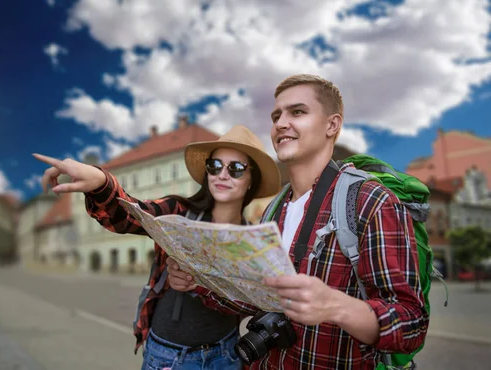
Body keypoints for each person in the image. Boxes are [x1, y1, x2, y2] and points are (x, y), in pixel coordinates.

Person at [168, 74, 429, 369]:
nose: (280, 123)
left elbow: (412, 324)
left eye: (298, 112)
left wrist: (337, 306)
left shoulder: (370, 200)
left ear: (332, 125)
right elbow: (256, 300)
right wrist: (196, 283)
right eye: (276, 115)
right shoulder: (272, 212)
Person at [33, 125, 281, 370]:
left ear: (251, 180)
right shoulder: (178, 211)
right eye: (215, 166)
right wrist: (100, 182)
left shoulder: (253, 240)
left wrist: (205, 286)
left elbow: (254, 304)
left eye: (236, 168)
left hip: (227, 355)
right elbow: (130, 215)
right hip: (169, 355)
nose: (222, 174)